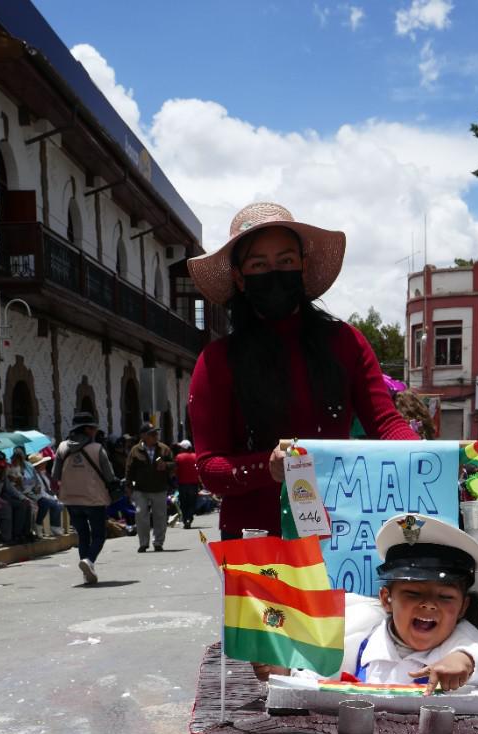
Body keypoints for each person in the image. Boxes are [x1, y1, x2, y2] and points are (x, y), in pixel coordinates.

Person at [187, 201, 418, 538]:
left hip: (341, 533)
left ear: (303, 266)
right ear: (239, 277)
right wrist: (266, 467)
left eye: (285, 261)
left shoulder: (346, 342)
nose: (274, 272)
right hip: (256, 544)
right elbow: (209, 468)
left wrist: (428, 454)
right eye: (259, 264)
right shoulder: (216, 361)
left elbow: (385, 423)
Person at [348, 514, 478, 693]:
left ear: (463, 607)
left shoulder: (463, 643)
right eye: (413, 593)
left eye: (445, 596)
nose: (429, 604)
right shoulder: (358, 635)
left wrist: (466, 660)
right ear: (386, 599)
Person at [52, 409, 117, 584]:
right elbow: (110, 476)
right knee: (98, 535)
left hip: (70, 499)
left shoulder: (62, 447)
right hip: (94, 499)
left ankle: (86, 571)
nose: (95, 431)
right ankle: (89, 561)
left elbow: (55, 476)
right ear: (87, 429)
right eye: (93, 428)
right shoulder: (97, 449)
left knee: (83, 535)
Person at [125, 423, 174, 552]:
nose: (155, 436)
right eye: (151, 434)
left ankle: (158, 542)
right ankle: (143, 543)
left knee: (160, 516)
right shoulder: (135, 450)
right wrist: (129, 486)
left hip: (159, 488)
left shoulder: (164, 449)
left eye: (156, 433)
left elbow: (174, 464)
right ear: (143, 436)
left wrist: (166, 465)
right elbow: (129, 469)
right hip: (140, 489)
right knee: (141, 516)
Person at [28, 452, 64, 536]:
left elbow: (48, 489)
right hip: (35, 497)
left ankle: (55, 526)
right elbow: (39, 492)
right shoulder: (32, 476)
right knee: (48, 503)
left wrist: (53, 496)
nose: (45, 464)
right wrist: (52, 498)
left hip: (44, 496)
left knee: (59, 504)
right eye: (42, 463)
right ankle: (38, 525)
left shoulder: (43, 474)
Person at [174, 439, 200, 528]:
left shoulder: (179, 457)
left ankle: (186, 519)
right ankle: (189, 518)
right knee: (192, 503)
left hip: (182, 484)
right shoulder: (196, 456)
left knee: (184, 503)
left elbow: (175, 470)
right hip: (193, 484)